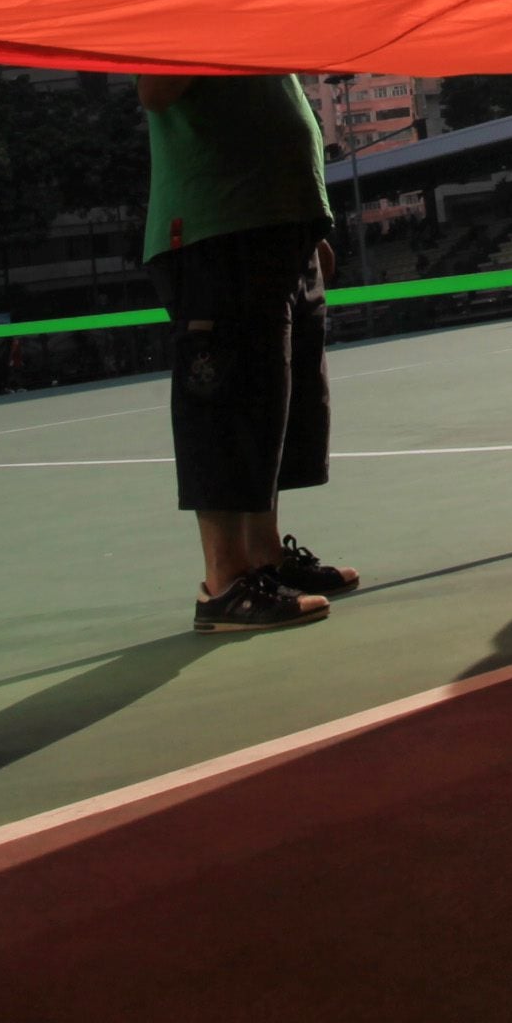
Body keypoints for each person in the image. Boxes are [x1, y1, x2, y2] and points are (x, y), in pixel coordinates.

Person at [138, 72, 362, 634]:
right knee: (227, 404)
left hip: (279, 224)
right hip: (219, 223)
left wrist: (307, 227)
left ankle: (265, 562)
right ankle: (225, 584)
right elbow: (155, 87)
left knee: (277, 403)